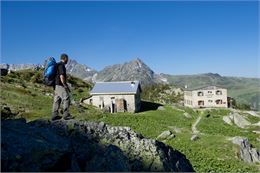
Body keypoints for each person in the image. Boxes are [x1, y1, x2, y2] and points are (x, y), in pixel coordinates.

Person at [51, 53, 73, 121]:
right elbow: (61, 76)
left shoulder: (57, 65)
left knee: (57, 99)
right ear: (65, 58)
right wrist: (64, 84)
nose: (68, 61)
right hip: (60, 85)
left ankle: (54, 115)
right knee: (66, 98)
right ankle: (66, 114)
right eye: (67, 59)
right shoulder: (61, 65)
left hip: (55, 85)